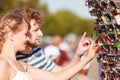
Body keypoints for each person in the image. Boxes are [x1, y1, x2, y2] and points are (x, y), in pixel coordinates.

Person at [0, 12, 98, 80]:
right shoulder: (2, 63)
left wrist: (88, 57)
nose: (27, 38)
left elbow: (59, 77)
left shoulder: (22, 65)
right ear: (11, 35)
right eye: (25, 34)